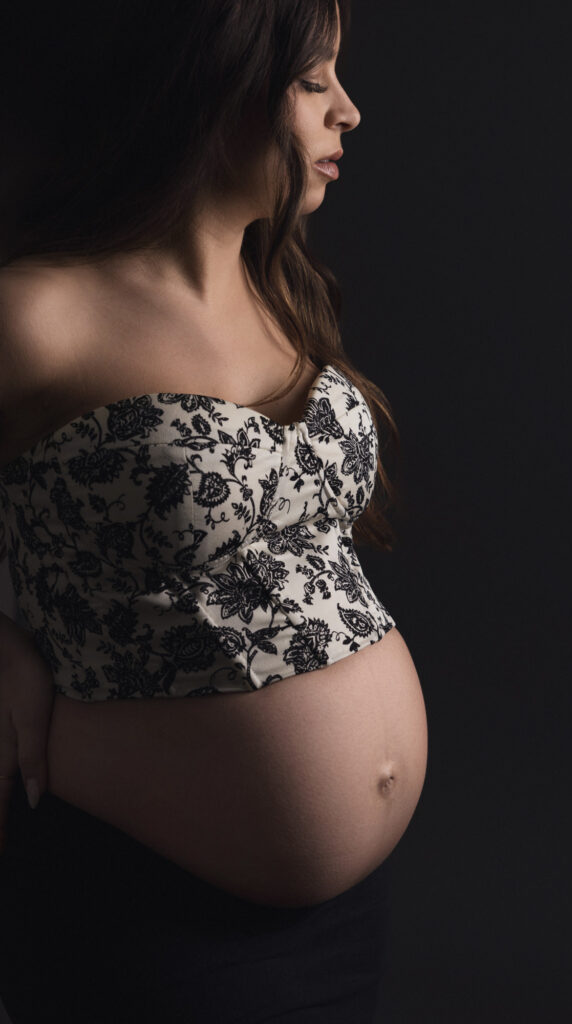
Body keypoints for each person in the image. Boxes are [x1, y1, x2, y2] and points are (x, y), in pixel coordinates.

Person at [0, 2, 429, 1021]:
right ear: (215, 83)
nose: (350, 113)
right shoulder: (36, 312)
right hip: (148, 904)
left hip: (337, 920)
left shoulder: (272, 287)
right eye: (313, 80)